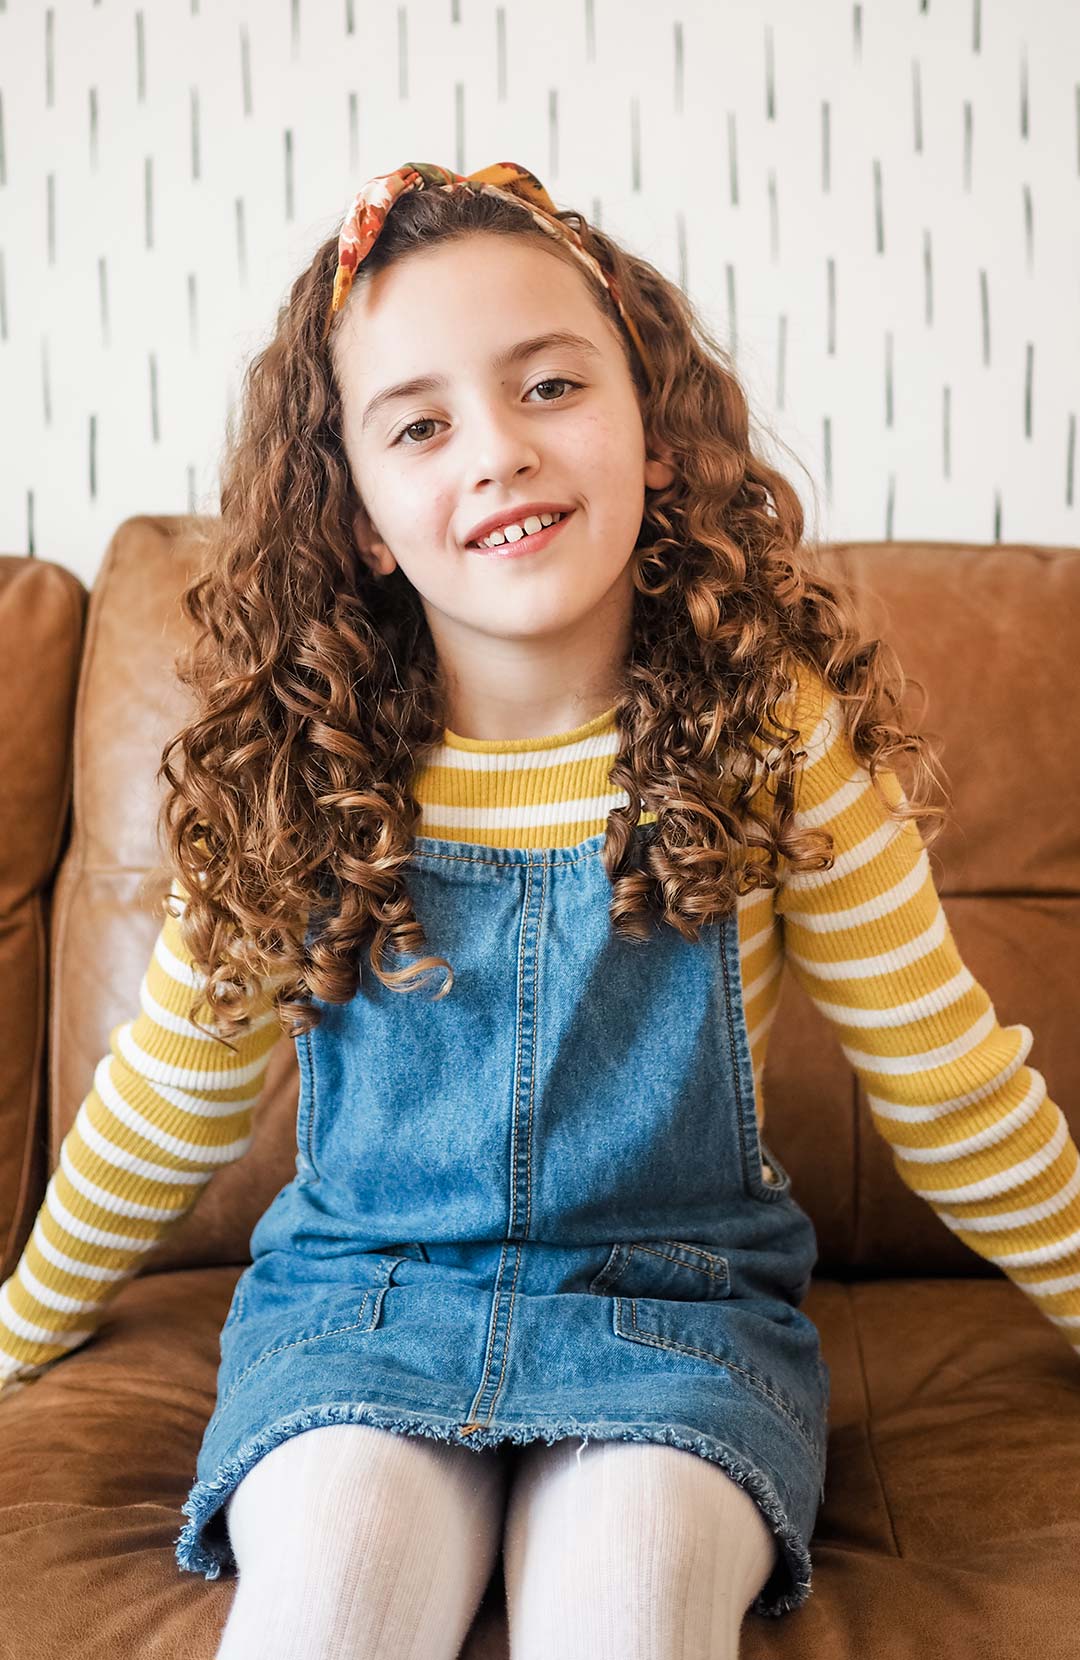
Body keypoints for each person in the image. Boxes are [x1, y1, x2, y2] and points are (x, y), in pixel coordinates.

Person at [1, 160, 1077, 1660]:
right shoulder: (301, 773)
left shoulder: (771, 737)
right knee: (322, 1616)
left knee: (629, 1619)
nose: (498, 453)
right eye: (422, 425)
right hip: (360, 1314)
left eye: (551, 385)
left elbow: (949, 1082)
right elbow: (167, 1103)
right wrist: (16, 1329)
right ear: (365, 516)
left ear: (650, 423)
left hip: (672, 1313)